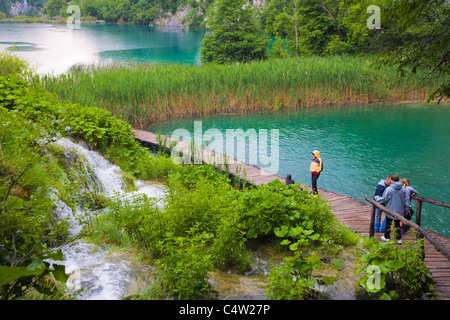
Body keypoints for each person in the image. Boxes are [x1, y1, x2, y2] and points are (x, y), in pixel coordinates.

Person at [374, 174, 411, 244]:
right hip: (400, 210)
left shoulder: (389, 189)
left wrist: (377, 198)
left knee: (388, 223)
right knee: (397, 224)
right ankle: (399, 239)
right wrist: (407, 208)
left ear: (391, 180)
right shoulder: (403, 189)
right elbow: (407, 199)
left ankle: (386, 237)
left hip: (390, 210)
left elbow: (384, 199)